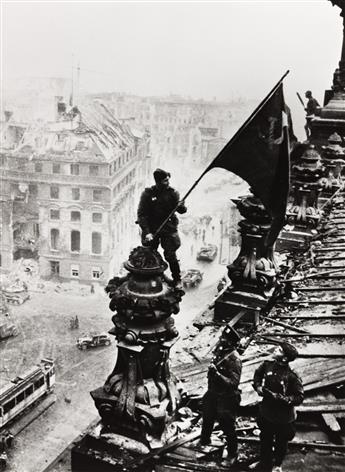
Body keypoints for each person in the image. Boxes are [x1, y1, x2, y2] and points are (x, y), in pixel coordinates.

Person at [250, 342, 304, 472]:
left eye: (279, 350)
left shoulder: (292, 375)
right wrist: (258, 387)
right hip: (267, 412)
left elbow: (299, 397)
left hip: (283, 417)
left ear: (285, 358)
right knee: (265, 439)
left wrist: (286, 399)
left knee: (281, 442)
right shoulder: (267, 364)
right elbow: (257, 374)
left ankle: (277, 465)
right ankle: (264, 463)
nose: (275, 350)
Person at [200, 326, 242, 466]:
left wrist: (217, 374)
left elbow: (233, 383)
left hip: (226, 398)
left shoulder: (234, 359)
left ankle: (232, 454)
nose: (220, 339)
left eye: (224, 338)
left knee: (227, 426)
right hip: (212, 393)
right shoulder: (220, 350)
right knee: (207, 418)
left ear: (230, 343)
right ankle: (204, 442)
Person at [137, 168, 187, 285]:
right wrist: (147, 231)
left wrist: (181, 206)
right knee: (149, 254)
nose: (168, 183)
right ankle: (149, 278)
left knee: (170, 255)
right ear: (158, 182)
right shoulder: (148, 194)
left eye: (168, 180)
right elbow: (141, 214)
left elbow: (182, 211)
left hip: (168, 228)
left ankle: (177, 278)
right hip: (152, 229)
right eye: (165, 181)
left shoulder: (173, 193)